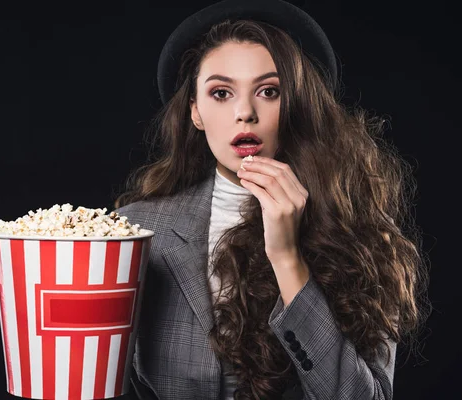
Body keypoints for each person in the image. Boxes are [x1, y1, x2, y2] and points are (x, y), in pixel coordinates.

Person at [113, 0, 430, 399]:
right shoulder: (133, 231)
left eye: (268, 91)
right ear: (195, 111)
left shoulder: (359, 230)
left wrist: (287, 257)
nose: (245, 112)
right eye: (221, 93)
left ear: (296, 105)